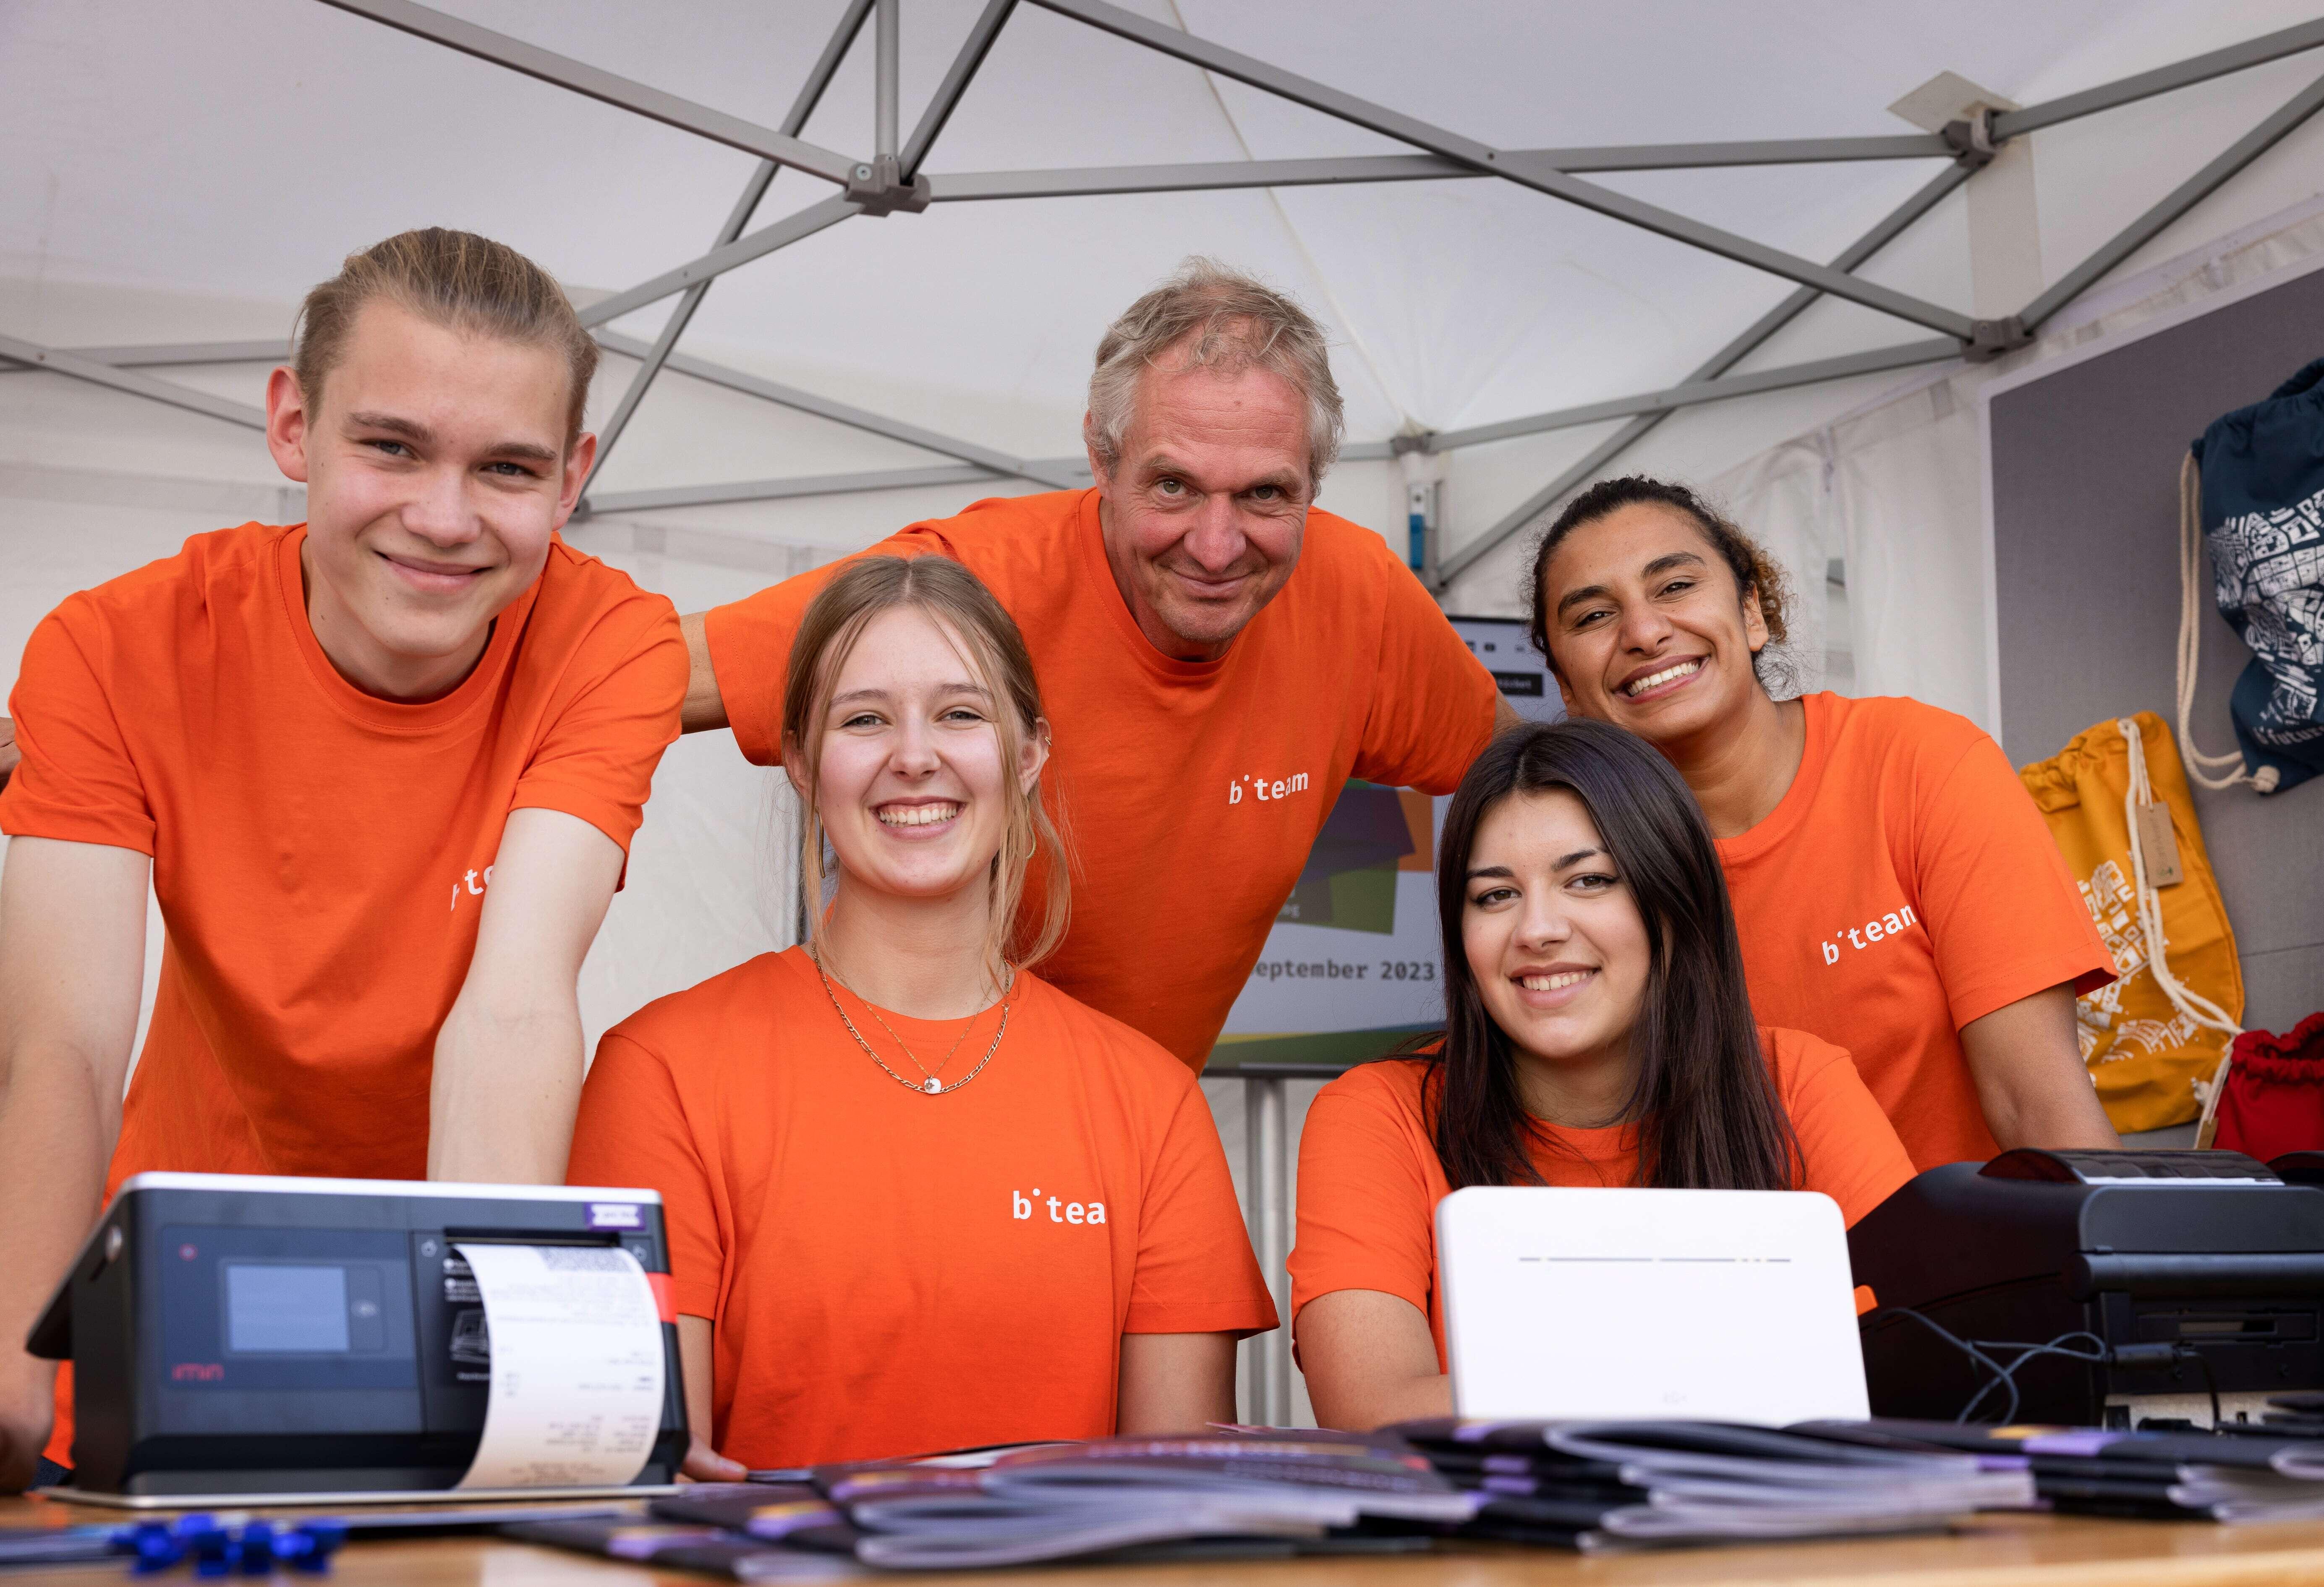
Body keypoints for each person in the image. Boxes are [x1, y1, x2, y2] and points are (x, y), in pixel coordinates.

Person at [0, 229, 686, 1490]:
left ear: (574, 473)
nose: (443, 516)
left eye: (509, 467)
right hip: (181, 1298)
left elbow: (518, 999)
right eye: (391, 445)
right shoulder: (112, 646)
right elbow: (64, 1042)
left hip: (447, 1287)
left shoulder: (612, 643)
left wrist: (490, 1389)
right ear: (291, 423)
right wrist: (10, 1362)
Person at [677, 259, 1516, 1070]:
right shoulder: (981, 582)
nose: (1217, 546)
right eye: (1175, 487)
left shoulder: (1357, 597)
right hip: (909, 1076)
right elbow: (651, 675)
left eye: (1264, 493)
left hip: (1132, 1119)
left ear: (1315, 482)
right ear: (1103, 459)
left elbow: (1533, 778)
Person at [568, 555, 1275, 1474]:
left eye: (961, 713)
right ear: (799, 761)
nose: (914, 755)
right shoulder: (661, 1072)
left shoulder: (1153, 1106)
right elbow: (654, 1487)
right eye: (864, 719)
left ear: (1027, 755)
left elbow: (1178, 1516)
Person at [1289, 719, 1913, 1432]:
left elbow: (1919, 1364)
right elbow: (1372, 1412)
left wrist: (1531, 1386)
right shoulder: (1377, 1112)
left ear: (1672, 900)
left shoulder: (1797, 1083)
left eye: (1587, 880)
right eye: (1494, 895)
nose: (1537, 929)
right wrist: (1739, 1376)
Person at [1527, 476, 2116, 1170]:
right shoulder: (1573, 872)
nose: (1644, 632)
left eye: (1675, 586)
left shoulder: (1919, 762)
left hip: (1976, 1266)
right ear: (1566, 685)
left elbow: (2037, 1106)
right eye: (1593, 616)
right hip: (1756, 1274)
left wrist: (2119, 1266)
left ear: (1751, 612)